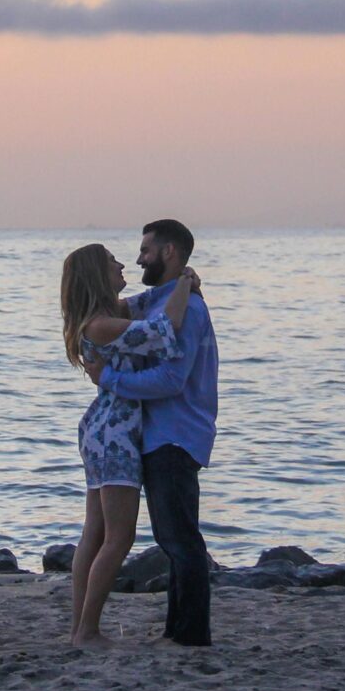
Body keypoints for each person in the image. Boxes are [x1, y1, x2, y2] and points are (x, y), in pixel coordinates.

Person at [85, 219, 218, 647]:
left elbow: (171, 380)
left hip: (175, 435)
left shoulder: (188, 310)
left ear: (168, 253)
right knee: (173, 538)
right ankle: (177, 632)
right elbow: (133, 309)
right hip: (157, 434)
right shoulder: (161, 303)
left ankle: (189, 635)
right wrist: (186, 280)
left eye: (145, 250)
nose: (138, 257)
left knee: (180, 540)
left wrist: (109, 380)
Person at [59, 243, 198, 648]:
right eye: (112, 262)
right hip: (115, 433)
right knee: (118, 537)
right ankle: (86, 630)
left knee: (95, 533)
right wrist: (187, 280)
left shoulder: (112, 313)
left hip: (102, 428)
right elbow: (163, 329)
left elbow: (150, 300)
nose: (123, 264)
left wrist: (183, 282)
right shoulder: (101, 324)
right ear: (97, 275)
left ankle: (79, 629)